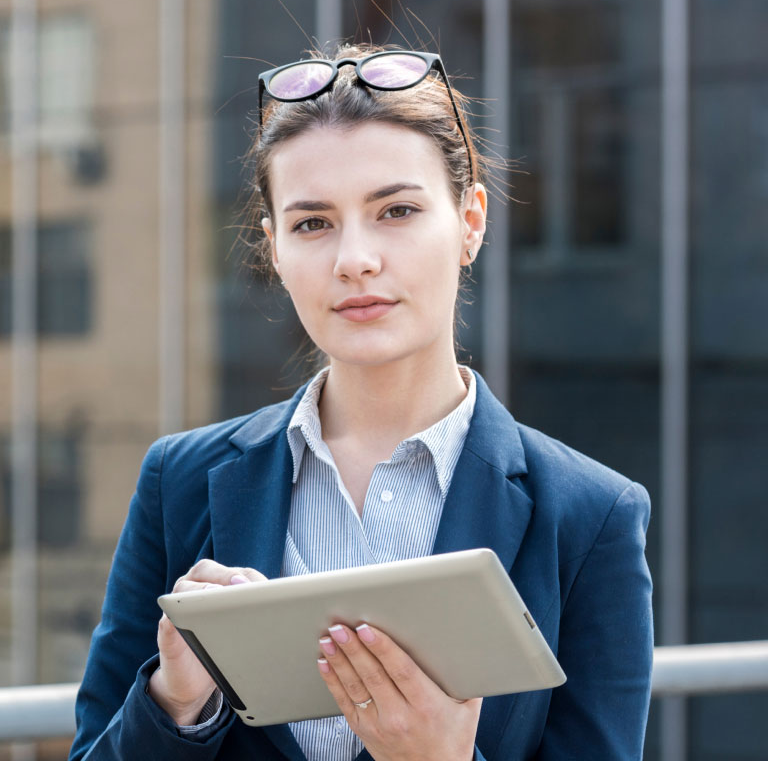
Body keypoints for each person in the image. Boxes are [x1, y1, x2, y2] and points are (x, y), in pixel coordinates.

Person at [70, 44, 653, 761]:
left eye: (397, 210)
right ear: (275, 250)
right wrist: (174, 702)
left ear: (470, 222)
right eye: (313, 223)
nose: (355, 259)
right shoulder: (180, 482)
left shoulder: (589, 516)